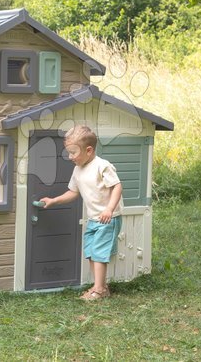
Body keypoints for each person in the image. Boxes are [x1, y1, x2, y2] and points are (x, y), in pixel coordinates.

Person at [40, 125, 123, 300]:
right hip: (94, 218)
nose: (70, 157)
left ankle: (99, 290)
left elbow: (117, 186)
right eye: (68, 152)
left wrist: (109, 208)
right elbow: (73, 192)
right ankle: (99, 287)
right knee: (92, 252)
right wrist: (54, 200)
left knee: (99, 252)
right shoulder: (78, 169)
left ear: (89, 150)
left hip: (108, 218)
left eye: (73, 153)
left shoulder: (102, 166)